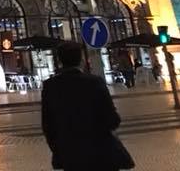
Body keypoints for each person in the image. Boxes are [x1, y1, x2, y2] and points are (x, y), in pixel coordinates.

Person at [41, 42, 134, 171]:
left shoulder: (50, 86)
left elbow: (48, 126)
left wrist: (59, 150)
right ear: (81, 60)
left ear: (60, 61)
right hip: (101, 153)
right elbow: (112, 119)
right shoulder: (95, 82)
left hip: (71, 157)